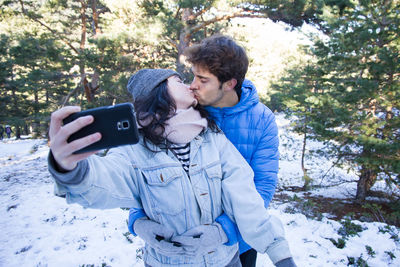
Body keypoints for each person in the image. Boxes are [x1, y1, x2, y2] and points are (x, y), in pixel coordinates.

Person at [48, 68, 295, 267]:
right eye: (178, 80)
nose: (189, 85)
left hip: (225, 260)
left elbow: (246, 197)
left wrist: (279, 253)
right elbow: (105, 182)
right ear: (158, 93)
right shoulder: (134, 148)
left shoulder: (212, 137)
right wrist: (70, 168)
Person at [128, 35, 287, 267]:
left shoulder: (262, 120)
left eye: (202, 79)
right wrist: (137, 218)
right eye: (193, 76)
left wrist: (225, 231)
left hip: (238, 242)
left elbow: (262, 187)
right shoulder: (184, 110)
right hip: (181, 245)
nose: (192, 85)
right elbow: (147, 165)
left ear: (229, 84)